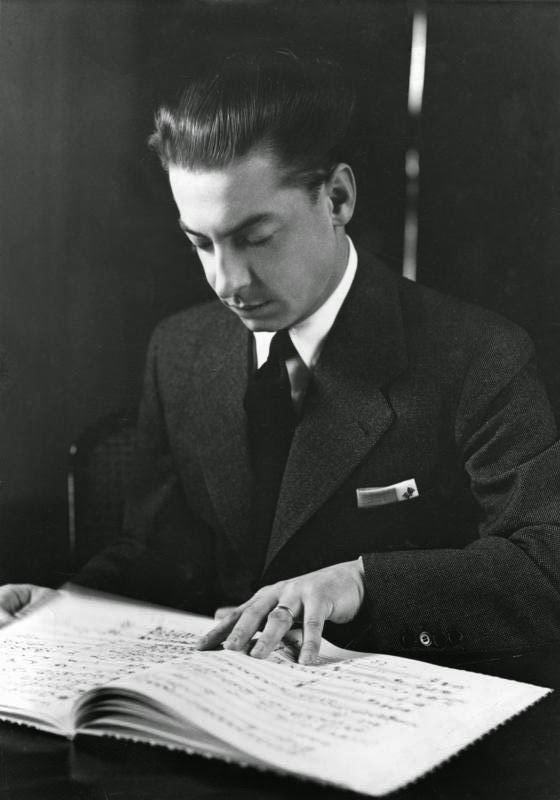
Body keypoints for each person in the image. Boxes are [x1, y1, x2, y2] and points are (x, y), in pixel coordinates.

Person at [2, 51, 560, 663]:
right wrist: (64, 612)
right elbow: (161, 554)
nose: (226, 281)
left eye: (256, 238)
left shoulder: (480, 355)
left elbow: (543, 568)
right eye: (201, 243)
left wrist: (363, 582)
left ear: (337, 199)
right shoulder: (180, 350)